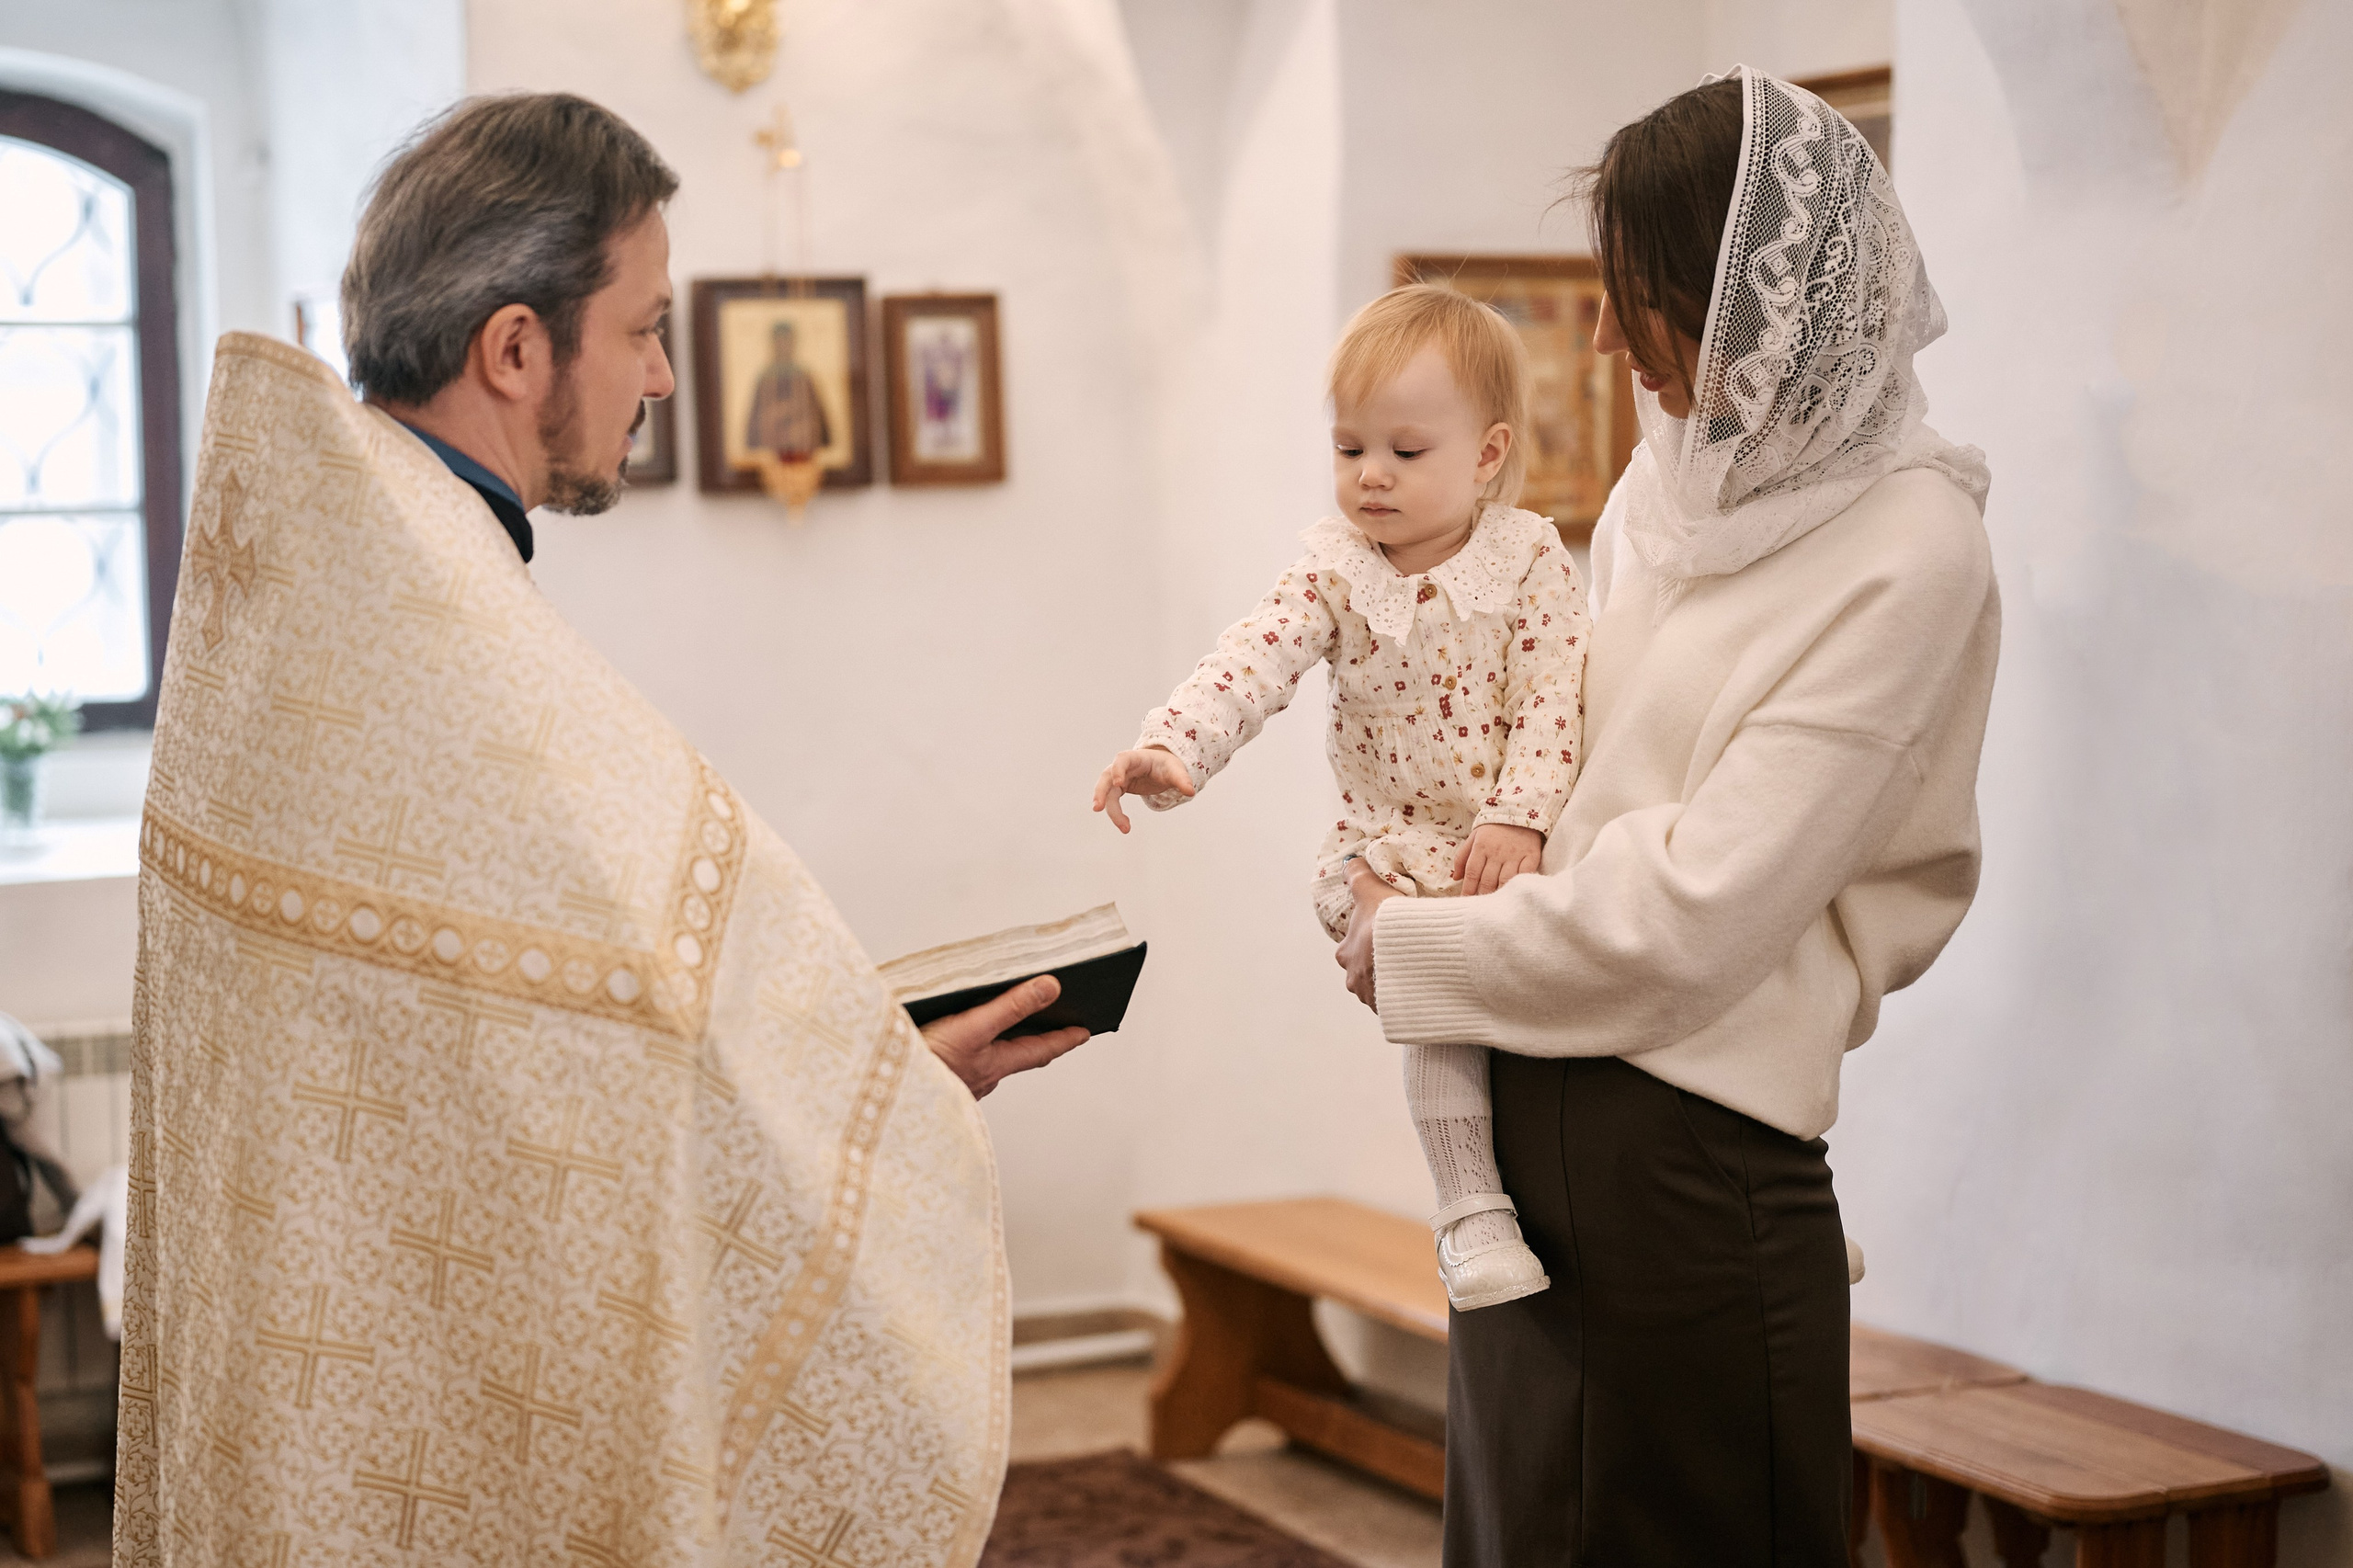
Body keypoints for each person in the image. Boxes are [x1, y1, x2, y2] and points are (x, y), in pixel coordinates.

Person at [119, 94, 1083, 1567]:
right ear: (516, 348)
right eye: (643, 328)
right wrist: (886, 1115)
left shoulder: (330, 598)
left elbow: (550, 1050)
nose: (663, 376)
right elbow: (609, 1041)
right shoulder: (431, 646)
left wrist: (878, 1076)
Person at [1345, 70, 1999, 1565]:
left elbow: (1700, 913)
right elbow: (1565, 774)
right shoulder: (1672, 486)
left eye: (1635, 299)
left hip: (1690, 1163)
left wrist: (1424, 942)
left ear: (1745, 303)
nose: (1598, 339)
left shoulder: (1913, 550)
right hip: (1530, 1120)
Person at [1093, 285, 1588, 1312]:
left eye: (1405, 451)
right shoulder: (1334, 569)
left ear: (1487, 454)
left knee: (1579, 978)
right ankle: (1468, 1209)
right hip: (1388, 846)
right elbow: (1251, 661)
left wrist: (1521, 813)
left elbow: (1555, 692)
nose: (1370, 476)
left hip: (1512, 836)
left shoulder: (1531, 559)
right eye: (1349, 447)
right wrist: (1174, 745)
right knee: (1433, 994)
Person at [744, 320, 831, 460]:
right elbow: (755, 425)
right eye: (780, 341)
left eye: (787, 341)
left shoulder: (804, 377)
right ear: (773, 344)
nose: (784, 346)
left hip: (802, 443)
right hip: (772, 441)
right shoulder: (765, 378)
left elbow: (818, 419)